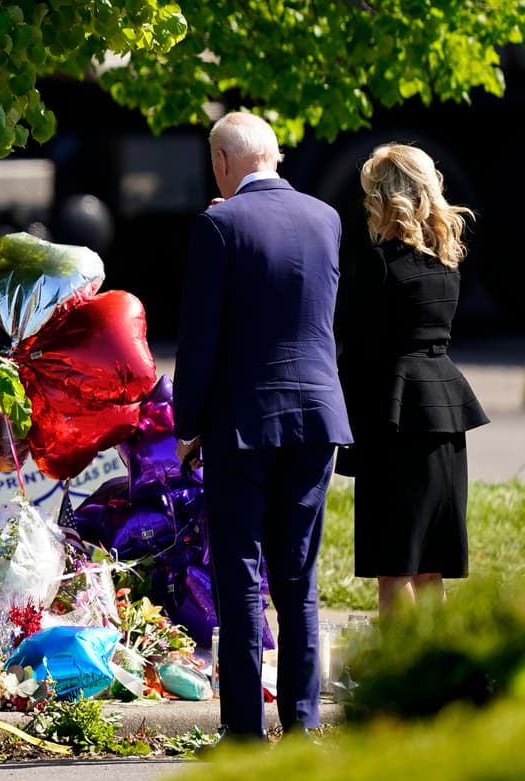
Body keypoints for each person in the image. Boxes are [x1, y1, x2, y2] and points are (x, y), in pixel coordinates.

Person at [173, 111, 352, 742]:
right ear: (273, 157)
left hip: (242, 424)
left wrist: (187, 422)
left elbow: (200, 339)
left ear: (222, 163)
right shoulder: (326, 219)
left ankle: (245, 734)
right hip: (316, 418)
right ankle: (303, 727)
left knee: (242, 579)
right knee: (299, 578)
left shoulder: (218, 225)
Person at [337, 144, 488, 620]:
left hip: (395, 416)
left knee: (394, 565)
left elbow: (358, 348)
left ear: (383, 197)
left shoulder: (379, 263)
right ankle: (433, 677)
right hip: (445, 411)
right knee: (431, 567)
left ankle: (401, 681)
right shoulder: (446, 263)